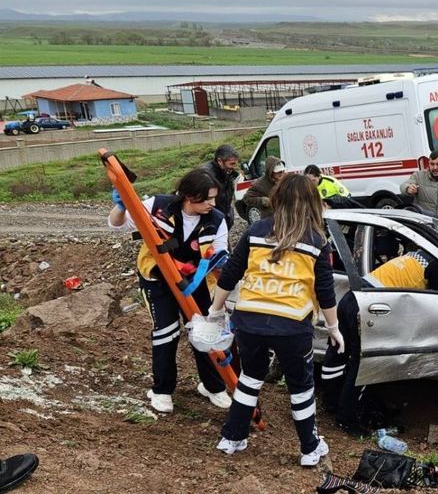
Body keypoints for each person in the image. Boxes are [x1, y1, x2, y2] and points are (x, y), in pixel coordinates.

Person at [207, 174, 344, 466]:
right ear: (312, 202)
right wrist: (334, 329)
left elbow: (230, 272)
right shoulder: (316, 240)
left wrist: (215, 310)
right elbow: (325, 290)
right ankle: (309, 449)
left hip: (250, 320)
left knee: (250, 378)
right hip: (292, 324)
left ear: (277, 198)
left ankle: (231, 438)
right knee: (301, 386)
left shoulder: (256, 230)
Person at [108, 169, 231, 414]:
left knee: (205, 332)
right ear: (188, 196)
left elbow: (219, 255)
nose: (212, 204)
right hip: (157, 278)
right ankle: (162, 390)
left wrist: (221, 277)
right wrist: (121, 207)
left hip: (195, 281)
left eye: (214, 198)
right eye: (206, 198)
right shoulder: (158, 206)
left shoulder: (216, 220)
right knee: (166, 331)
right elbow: (115, 225)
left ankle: (213, 386)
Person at [321, 232, 438, 434]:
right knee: (363, 366)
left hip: (351, 298)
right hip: (366, 306)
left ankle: (332, 403)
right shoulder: (435, 266)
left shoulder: (415, 256)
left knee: (338, 354)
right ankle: (347, 419)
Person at [201, 144, 240, 230]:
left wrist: (230, 214)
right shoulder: (206, 175)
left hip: (223, 216)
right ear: (220, 161)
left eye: (235, 163)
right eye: (232, 164)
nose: (234, 167)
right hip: (210, 221)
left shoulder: (227, 172)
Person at [242, 157, 285, 221]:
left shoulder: (284, 180)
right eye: (279, 172)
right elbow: (247, 198)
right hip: (270, 219)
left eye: (282, 171)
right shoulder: (259, 184)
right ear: (271, 171)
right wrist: (263, 200)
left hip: (284, 217)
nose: (282, 174)